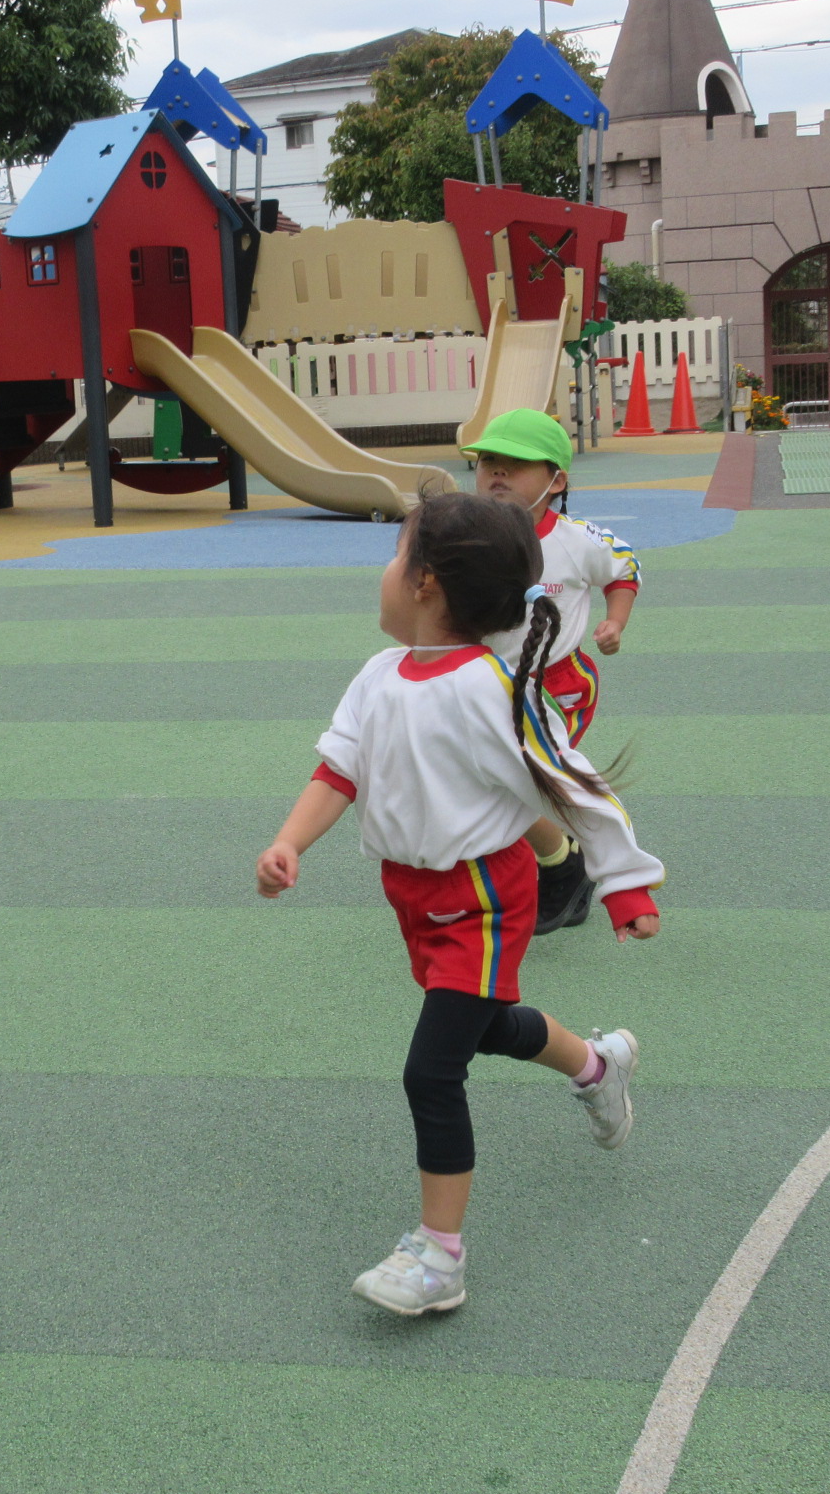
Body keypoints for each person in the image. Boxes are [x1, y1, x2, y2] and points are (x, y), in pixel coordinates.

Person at [255, 493, 663, 1317]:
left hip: (483, 896)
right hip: (414, 896)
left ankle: (439, 1255)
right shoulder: (379, 675)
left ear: (426, 583)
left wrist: (626, 883)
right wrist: (291, 841)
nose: (384, 572)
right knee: (484, 1026)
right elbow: (338, 769)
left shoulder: (491, 690)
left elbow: (575, 784)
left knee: (432, 1070)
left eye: (395, 555)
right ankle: (597, 1065)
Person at [465, 408, 641, 935]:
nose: (497, 472)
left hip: (555, 686)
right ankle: (558, 861)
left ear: (556, 481)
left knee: (520, 780)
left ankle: (569, 865)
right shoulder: (467, 535)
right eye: (488, 461)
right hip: (480, 682)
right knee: (485, 776)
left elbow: (624, 569)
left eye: (516, 464)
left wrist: (615, 621)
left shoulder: (575, 540)